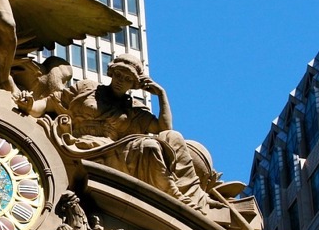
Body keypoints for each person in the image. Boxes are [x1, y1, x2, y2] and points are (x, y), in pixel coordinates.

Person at [16, 54, 215, 213]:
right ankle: (171, 191)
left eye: (128, 79)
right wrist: (30, 105)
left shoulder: (133, 109)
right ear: (112, 72)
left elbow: (164, 128)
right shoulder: (87, 88)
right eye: (119, 74)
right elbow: (52, 102)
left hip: (111, 151)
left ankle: (176, 192)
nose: (121, 81)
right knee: (150, 145)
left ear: (135, 85)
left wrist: (161, 94)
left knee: (161, 142)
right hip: (77, 143)